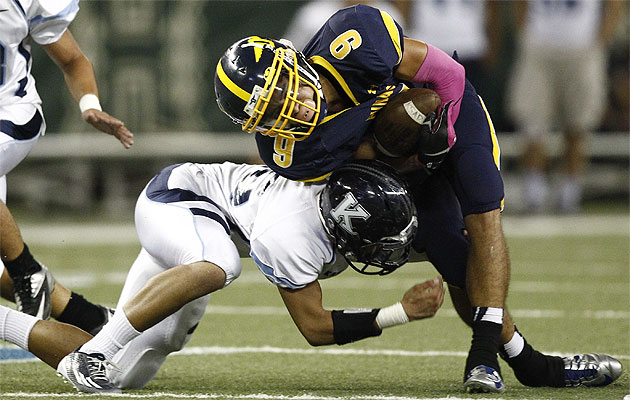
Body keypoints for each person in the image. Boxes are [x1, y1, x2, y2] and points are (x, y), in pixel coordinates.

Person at [213, 4, 623, 393]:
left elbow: (449, 74)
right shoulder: (288, 151)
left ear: (291, 60)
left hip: (450, 114)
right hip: (402, 162)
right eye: (269, 112)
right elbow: (363, 163)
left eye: (284, 90)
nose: (292, 108)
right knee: (451, 252)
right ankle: (529, 362)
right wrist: (406, 158)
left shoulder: (352, 39)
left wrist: (439, 139)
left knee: (482, 215)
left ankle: (483, 357)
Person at [0, 160, 622, 393]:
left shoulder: (344, 202)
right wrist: (399, 313)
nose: (386, 256)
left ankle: (33, 308)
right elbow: (316, 329)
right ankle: (98, 349)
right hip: (177, 205)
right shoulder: (293, 235)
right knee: (220, 266)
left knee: (134, 371)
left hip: (209, 227)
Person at [0, 0, 133, 328]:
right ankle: (94, 322)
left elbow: (73, 59)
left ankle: (27, 272)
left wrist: (89, 103)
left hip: (11, 114)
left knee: (17, 270)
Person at [506, 0, 626, 213]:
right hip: (539, 47)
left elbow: (615, 4)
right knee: (532, 125)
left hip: (582, 48)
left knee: (578, 126)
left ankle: (568, 194)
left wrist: (600, 41)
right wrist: (525, 32)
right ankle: (534, 193)